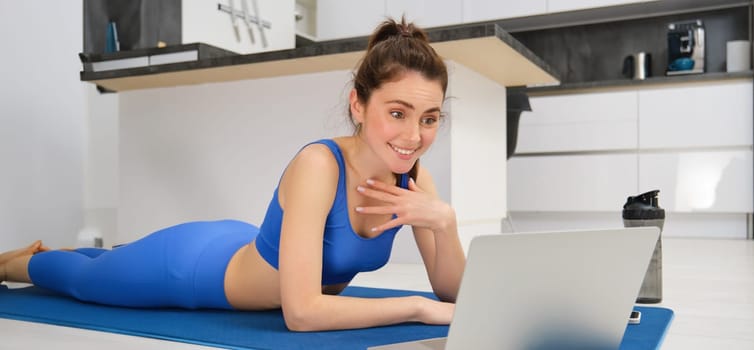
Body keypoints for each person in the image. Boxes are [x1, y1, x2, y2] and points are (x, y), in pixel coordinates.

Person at [0, 18, 466, 332]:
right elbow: (302, 312)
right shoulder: (319, 165)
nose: (414, 135)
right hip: (194, 268)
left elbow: (455, 293)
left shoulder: (414, 179)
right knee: (85, 280)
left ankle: (55, 252)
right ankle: (17, 260)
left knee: (98, 263)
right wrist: (418, 307)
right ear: (358, 105)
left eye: (428, 118)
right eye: (398, 112)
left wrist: (444, 222)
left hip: (240, 244)